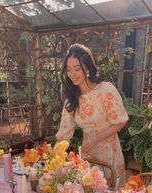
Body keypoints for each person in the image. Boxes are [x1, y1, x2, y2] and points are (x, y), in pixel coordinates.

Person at [55, 44, 128, 183]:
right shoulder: (72, 98)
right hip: (88, 155)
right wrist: (55, 158)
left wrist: (96, 137)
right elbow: (64, 133)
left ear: (87, 67)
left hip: (110, 154)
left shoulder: (105, 90)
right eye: (68, 69)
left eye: (77, 68)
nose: (72, 74)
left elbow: (121, 121)